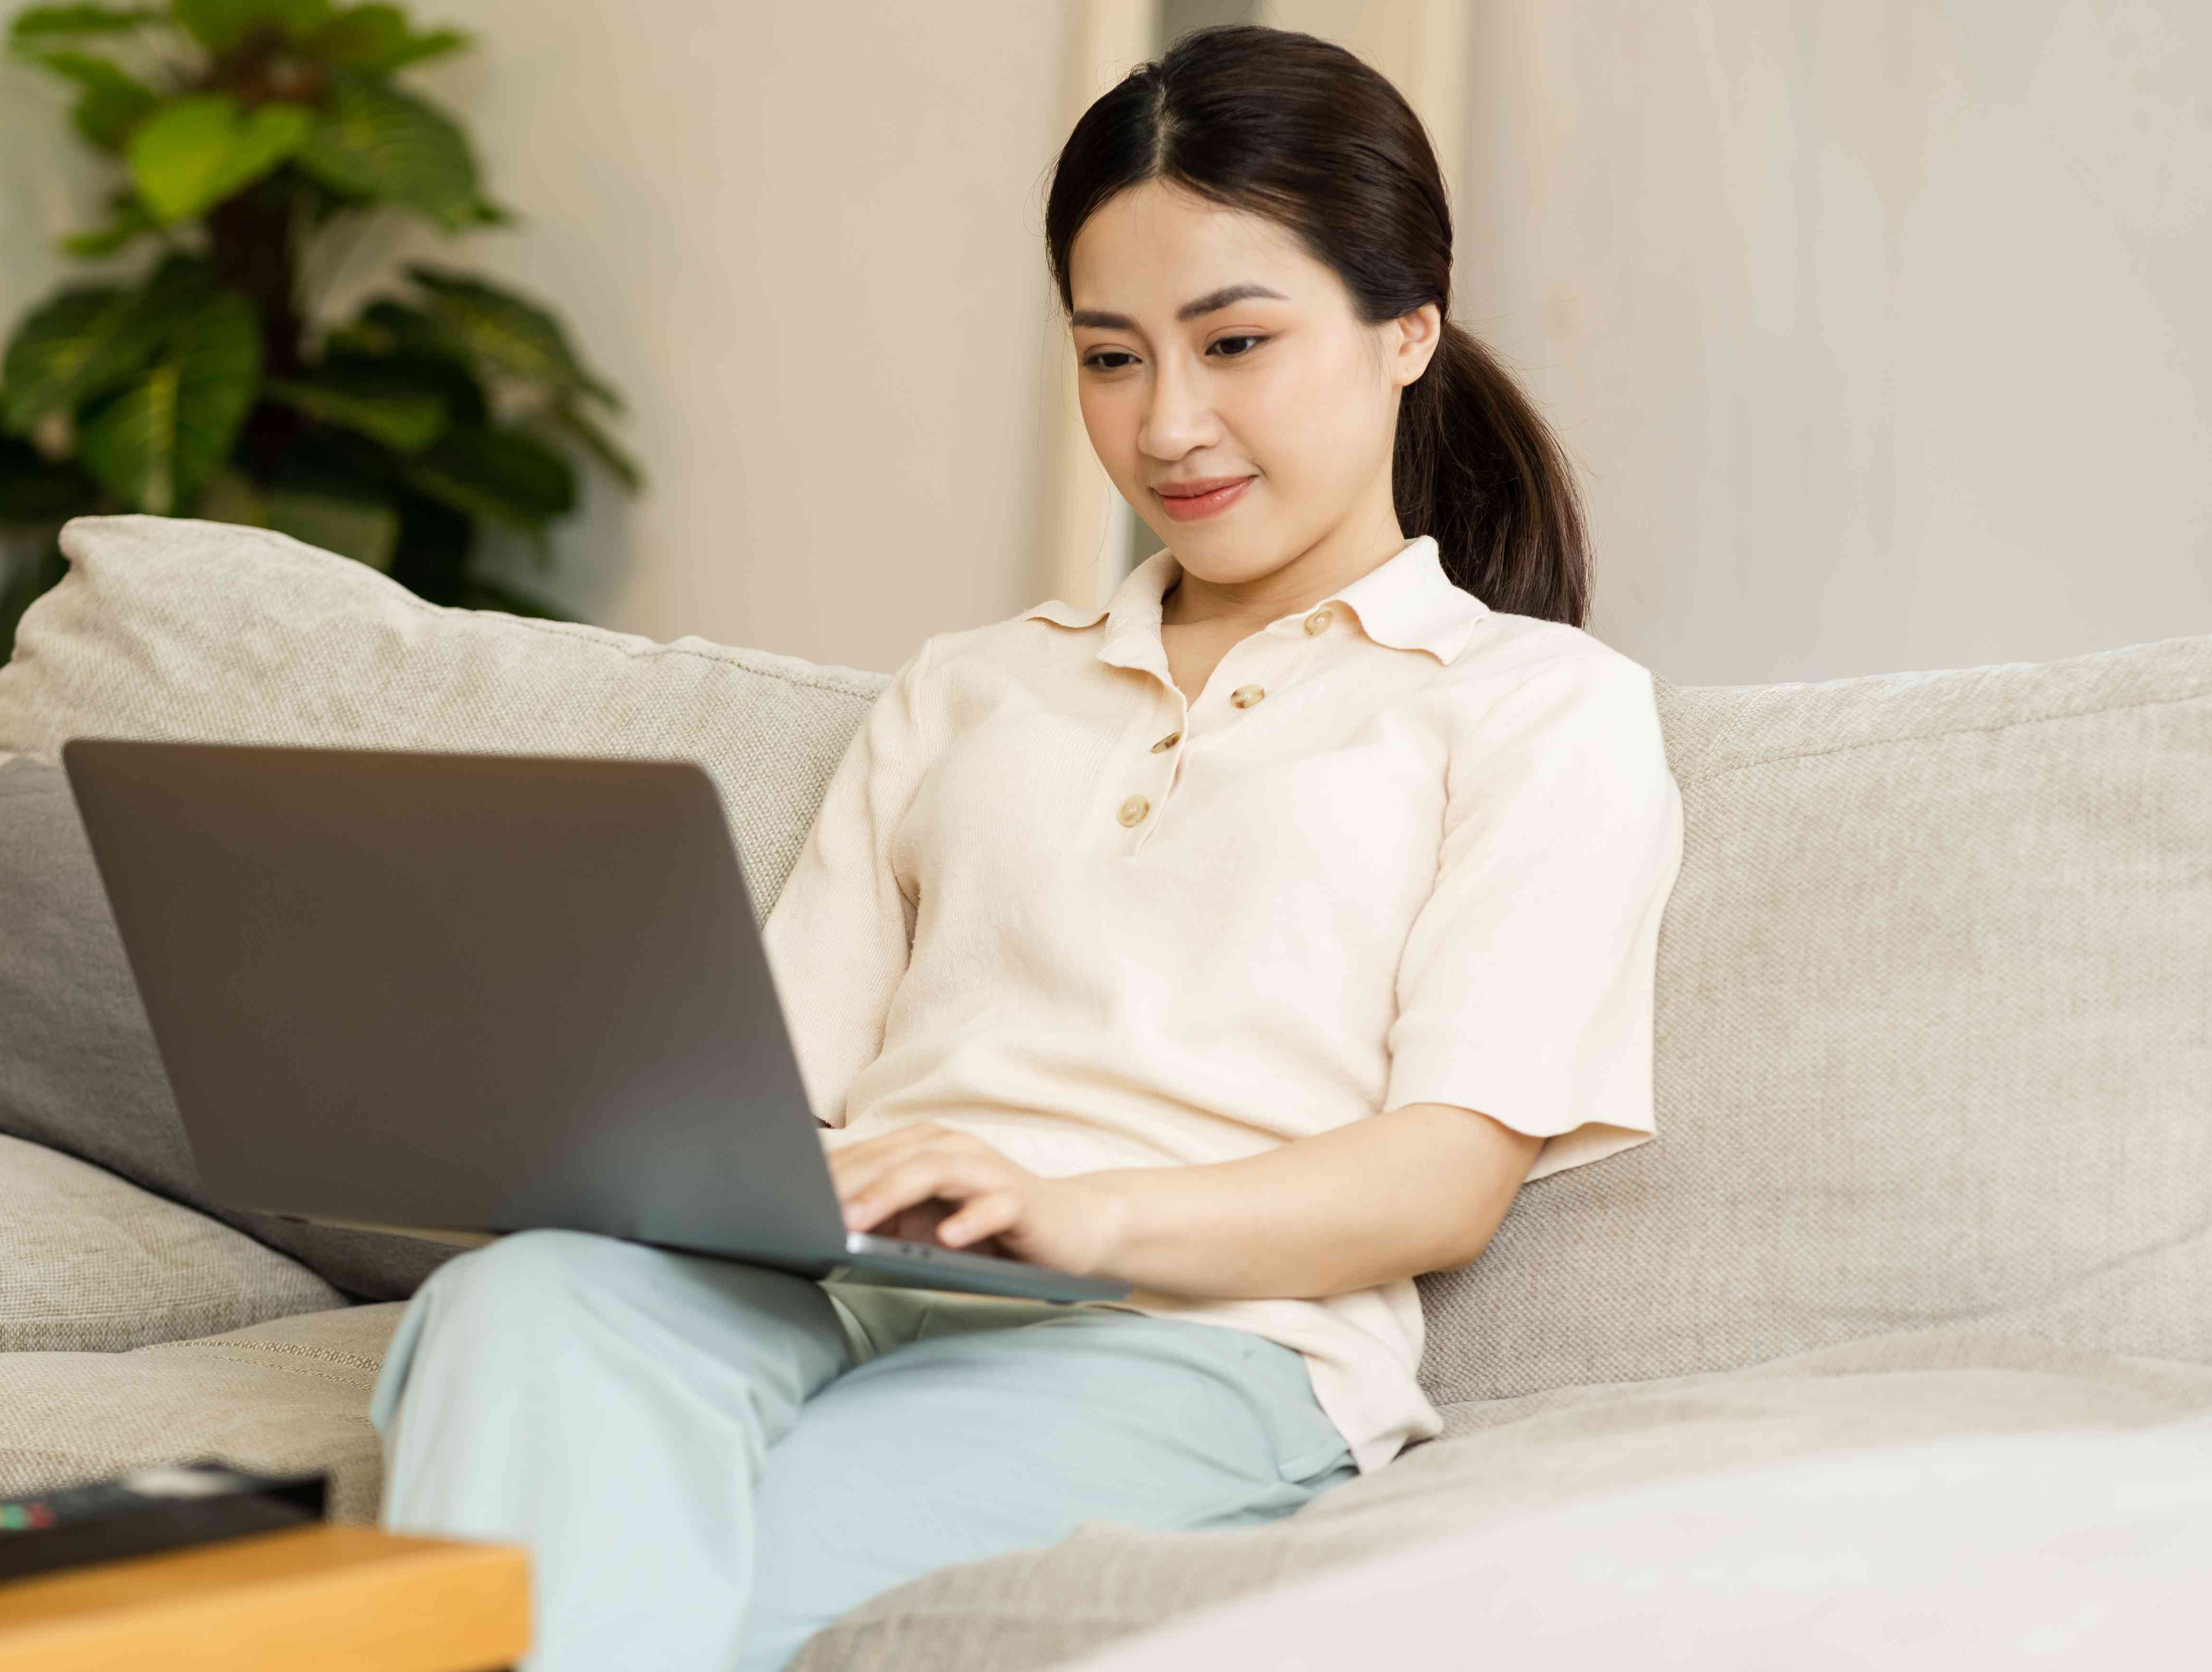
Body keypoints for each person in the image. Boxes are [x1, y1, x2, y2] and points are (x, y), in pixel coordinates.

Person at [366, 22, 1685, 1672]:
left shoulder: (1533, 705)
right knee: (521, 1301)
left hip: (1195, 1342)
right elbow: (773, 1089)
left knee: (742, 1568)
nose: (1169, 426)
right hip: (838, 1287)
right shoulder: (971, 687)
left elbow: (1443, 1180)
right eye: (1112, 356)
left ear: (1404, 329)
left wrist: (1073, 1214)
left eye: (1237, 343)